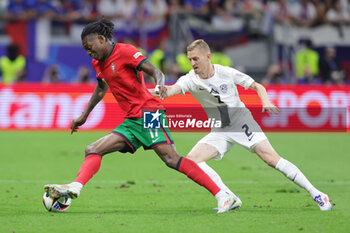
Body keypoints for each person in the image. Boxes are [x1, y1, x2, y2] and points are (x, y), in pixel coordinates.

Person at [44, 19, 236, 214]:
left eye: (90, 47)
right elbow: (101, 88)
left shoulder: (125, 51)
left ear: (101, 39)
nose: (88, 52)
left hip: (149, 113)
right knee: (92, 149)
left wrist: (160, 84)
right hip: (132, 121)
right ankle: (75, 188)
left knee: (171, 159)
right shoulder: (97, 63)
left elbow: (156, 71)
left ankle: (223, 195)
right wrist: (84, 115)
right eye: (85, 49)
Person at [153, 39, 331, 211]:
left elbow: (257, 86)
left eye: (195, 58)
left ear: (208, 56)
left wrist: (265, 101)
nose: (192, 63)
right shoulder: (190, 79)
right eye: (189, 59)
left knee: (271, 159)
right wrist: (161, 90)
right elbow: (171, 90)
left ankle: (317, 194)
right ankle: (228, 197)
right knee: (192, 161)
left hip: (241, 122)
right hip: (220, 129)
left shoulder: (226, 73)